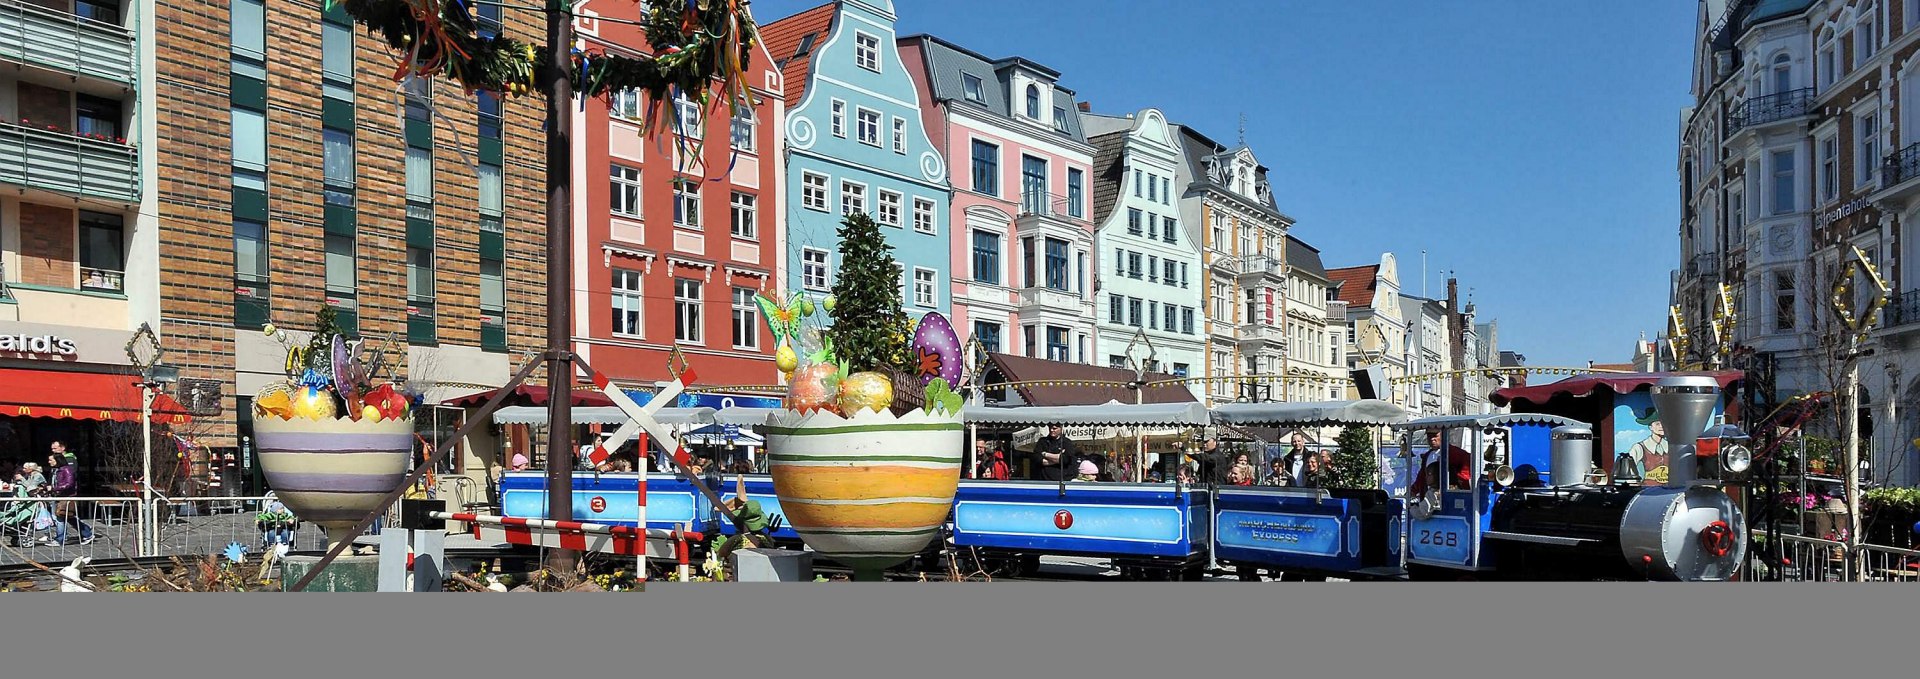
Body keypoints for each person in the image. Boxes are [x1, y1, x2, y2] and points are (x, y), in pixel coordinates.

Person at [47, 443, 93, 546]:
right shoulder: (56, 470)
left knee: (61, 517)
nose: (49, 462)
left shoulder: (66, 469)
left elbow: (69, 483)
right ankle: (87, 533)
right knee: (67, 517)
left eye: (51, 460)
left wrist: (54, 488)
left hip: (67, 496)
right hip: (59, 496)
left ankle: (60, 539)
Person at [1406, 428, 1473, 499]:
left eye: (1435, 436)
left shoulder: (1457, 454)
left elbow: (1466, 474)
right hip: (1429, 497)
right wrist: (1413, 490)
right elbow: (1422, 477)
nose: (1432, 439)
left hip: (1451, 497)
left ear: (1443, 435)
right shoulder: (1427, 455)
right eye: (1429, 436)